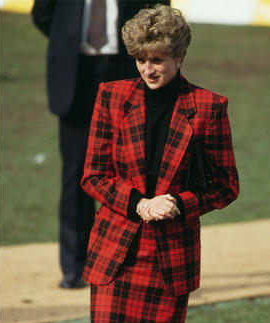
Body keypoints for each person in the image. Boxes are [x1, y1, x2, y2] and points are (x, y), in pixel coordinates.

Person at [72, 6, 238, 323]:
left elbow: (227, 186)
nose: (149, 69)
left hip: (169, 253)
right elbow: (92, 175)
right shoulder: (111, 97)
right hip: (115, 246)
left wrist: (182, 203)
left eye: (159, 59)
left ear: (180, 56)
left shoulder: (207, 106)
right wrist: (135, 203)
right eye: (142, 59)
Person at [32, 0, 165, 289]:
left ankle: (131, 262)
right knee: (77, 175)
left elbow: (159, 15)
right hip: (74, 75)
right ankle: (75, 267)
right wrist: (65, 41)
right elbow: (42, 13)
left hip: (126, 69)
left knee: (133, 172)